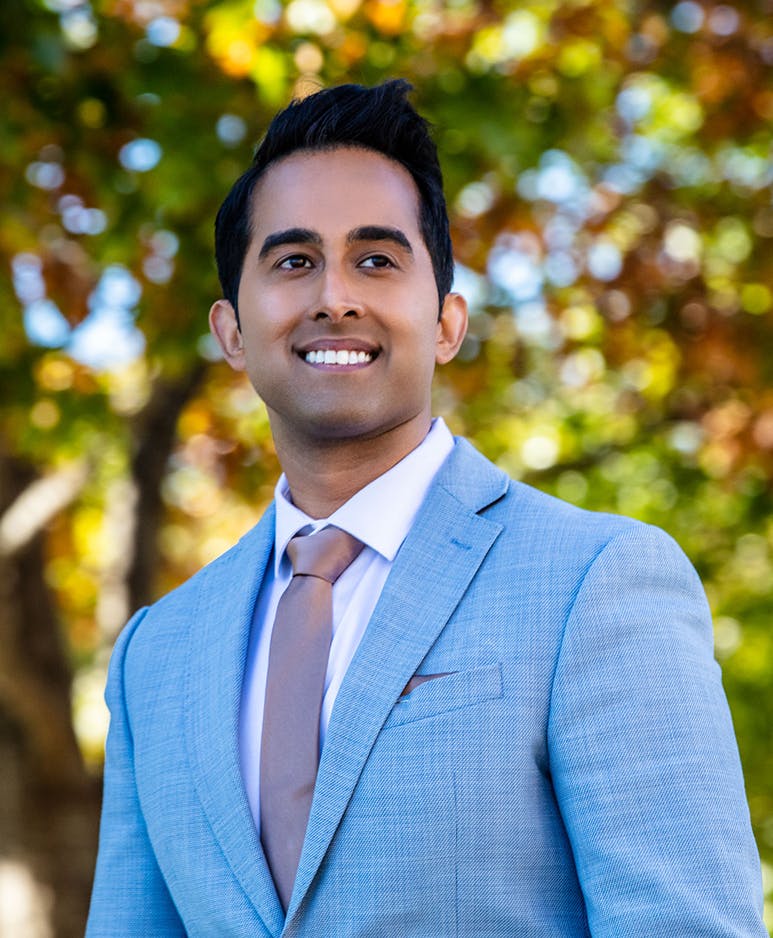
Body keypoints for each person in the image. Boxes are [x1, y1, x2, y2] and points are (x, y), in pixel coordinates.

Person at [87, 80, 766, 937]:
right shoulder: (158, 653)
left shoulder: (593, 582)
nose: (335, 295)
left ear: (447, 322)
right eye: (293, 261)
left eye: (376, 260)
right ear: (231, 331)